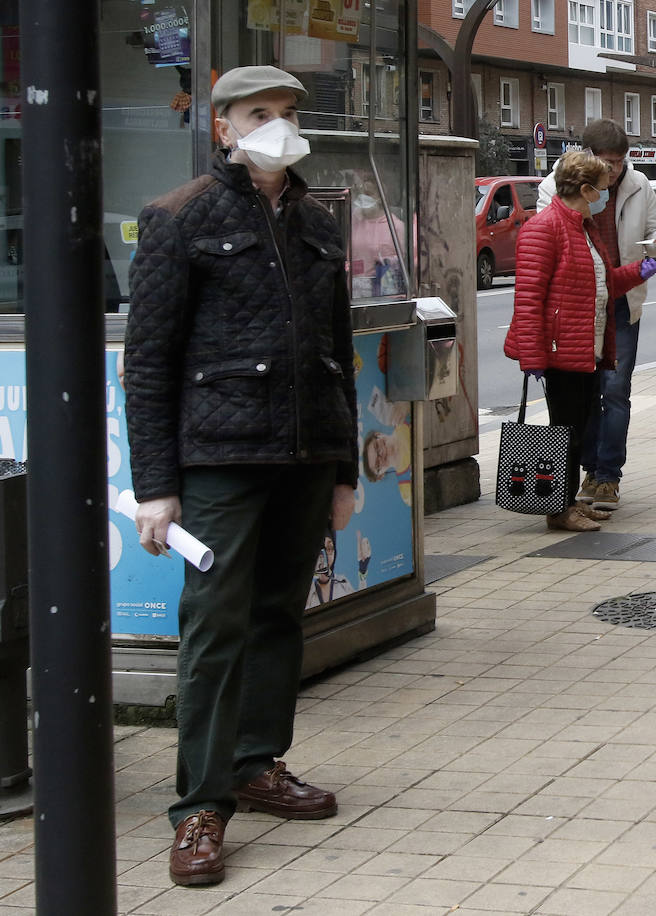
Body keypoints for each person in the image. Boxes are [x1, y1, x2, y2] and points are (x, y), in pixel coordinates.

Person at [123, 66, 358, 887]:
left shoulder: (318, 222)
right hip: (218, 460)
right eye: (259, 113)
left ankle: (259, 763)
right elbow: (146, 363)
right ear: (223, 127)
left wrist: (342, 466)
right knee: (215, 627)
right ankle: (198, 807)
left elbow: (338, 353)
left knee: (276, 618)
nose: (277, 126)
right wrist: (155, 485)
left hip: (302, 458)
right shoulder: (178, 218)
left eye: (289, 114)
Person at [507, 151, 656, 531]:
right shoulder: (544, 229)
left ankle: (570, 502)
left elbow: (603, 284)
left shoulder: (583, 226)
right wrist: (533, 355)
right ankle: (559, 510)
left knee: (578, 430)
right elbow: (528, 298)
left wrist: (641, 270)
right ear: (585, 189)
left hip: (586, 347)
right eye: (603, 188)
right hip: (561, 351)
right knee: (566, 432)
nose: (607, 195)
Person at [537, 120, 656, 513]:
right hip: (577, 307)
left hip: (618, 298)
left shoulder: (638, 186)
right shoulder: (554, 190)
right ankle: (586, 473)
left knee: (614, 391)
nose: (614, 170)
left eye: (620, 162)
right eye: (607, 162)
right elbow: (539, 272)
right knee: (581, 397)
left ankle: (608, 475)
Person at [349, 169, 406, 299]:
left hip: (385, 295)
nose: (363, 198)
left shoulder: (396, 227)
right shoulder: (353, 221)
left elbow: (404, 264)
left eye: (368, 194)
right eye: (360, 194)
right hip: (354, 292)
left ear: (380, 197)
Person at [304, 531, 354, 609]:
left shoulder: (343, 583)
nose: (325, 556)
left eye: (329, 549)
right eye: (320, 550)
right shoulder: (307, 592)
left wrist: (363, 570)